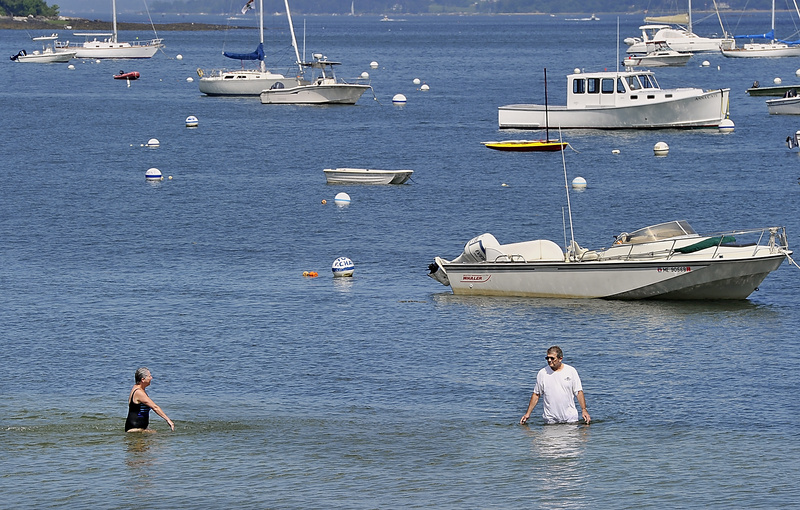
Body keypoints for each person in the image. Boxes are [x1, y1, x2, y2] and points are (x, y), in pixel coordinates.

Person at [519, 346, 590, 425]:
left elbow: (579, 392)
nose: (549, 360)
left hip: (570, 418)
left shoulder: (571, 371)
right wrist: (528, 414)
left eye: (552, 358)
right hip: (550, 419)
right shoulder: (542, 373)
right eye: (547, 358)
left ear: (560, 359)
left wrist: (584, 410)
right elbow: (536, 395)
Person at [125, 367, 175, 432]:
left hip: (139, 428)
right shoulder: (139, 392)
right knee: (160, 438)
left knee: (155, 436)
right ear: (143, 379)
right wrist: (168, 420)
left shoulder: (136, 388)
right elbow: (155, 407)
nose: (151, 378)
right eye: (149, 376)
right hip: (135, 429)